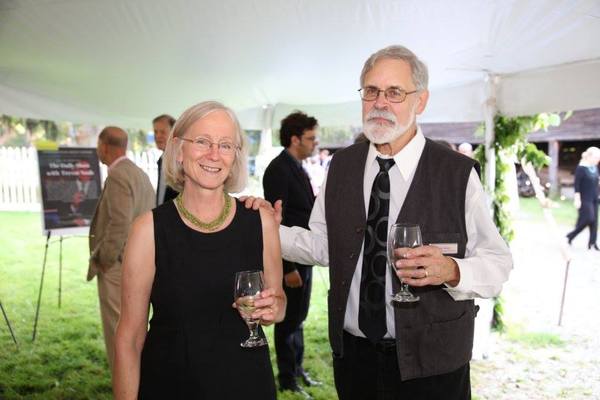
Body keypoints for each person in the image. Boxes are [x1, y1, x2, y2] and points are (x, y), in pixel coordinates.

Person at [275, 45, 513, 399]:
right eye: (371, 91)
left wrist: (452, 270)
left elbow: (498, 264)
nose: (380, 102)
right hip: (355, 360)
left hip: (433, 365)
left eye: (394, 92)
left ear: (421, 101)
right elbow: (325, 245)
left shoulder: (456, 173)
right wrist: (268, 229)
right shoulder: (341, 166)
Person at [113, 101, 286, 400]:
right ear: (179, 150)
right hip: (171, 385)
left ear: (235, 157)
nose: (214, 154)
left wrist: (273, 308)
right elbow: (129, 337)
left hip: (246, 384)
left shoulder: (261, 222)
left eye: (226, 145)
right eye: (203, 141)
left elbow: (280, 303)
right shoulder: (148, 230)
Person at [263, 111, 320, 398]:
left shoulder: (296, 166)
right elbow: (276, 222)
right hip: (290, 259)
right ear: (295, 138)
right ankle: (287, 378)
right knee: (287, 321)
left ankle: (297, 370)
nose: (315, 143)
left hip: (304, 254)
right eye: (310, 138)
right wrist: (287, 267)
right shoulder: (278, 169)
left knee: (299, 316)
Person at [88, 127, 155, 373]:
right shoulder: (139, 174)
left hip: (118, 265)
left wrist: (104, 259)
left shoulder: (118, 175)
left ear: (104, 146)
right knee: (135, 330)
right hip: (139, 263)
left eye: (98, 145)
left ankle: (126, 386)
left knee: (119, 334)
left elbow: (119, 223)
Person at [566, 146, 600, 250]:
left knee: (594, 221)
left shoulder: (595, 168)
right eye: (596, 157)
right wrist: (577, 199)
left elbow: (595, 182)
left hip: (595, 197)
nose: (598, 159)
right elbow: (577, 185)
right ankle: (570, 236)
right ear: (589, 156)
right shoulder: (581, 168)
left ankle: (592, 243)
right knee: (588, 218)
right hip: (585, 198)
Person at [153, 114, 178, 205]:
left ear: (174, 133)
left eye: (163, 132)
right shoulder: (162, 159)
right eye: (155, 132)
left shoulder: (180, 160)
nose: (158, 136)